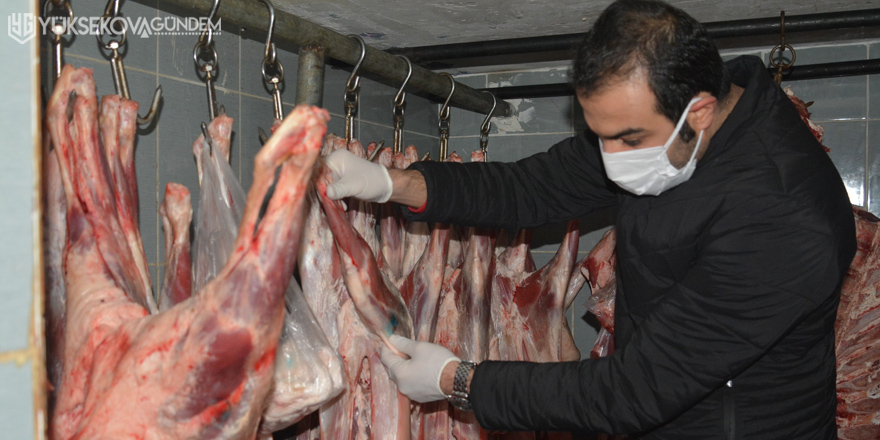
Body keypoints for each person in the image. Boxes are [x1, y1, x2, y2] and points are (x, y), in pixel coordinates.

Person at [323, 0, 857, 438]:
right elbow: (533, 188)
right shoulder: (663, 131)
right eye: (600, 136)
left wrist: (458, 381)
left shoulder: (783, 215)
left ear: (698, 112)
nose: (611, 158)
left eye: (627, 140)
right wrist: (390, 183)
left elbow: (636, 390)